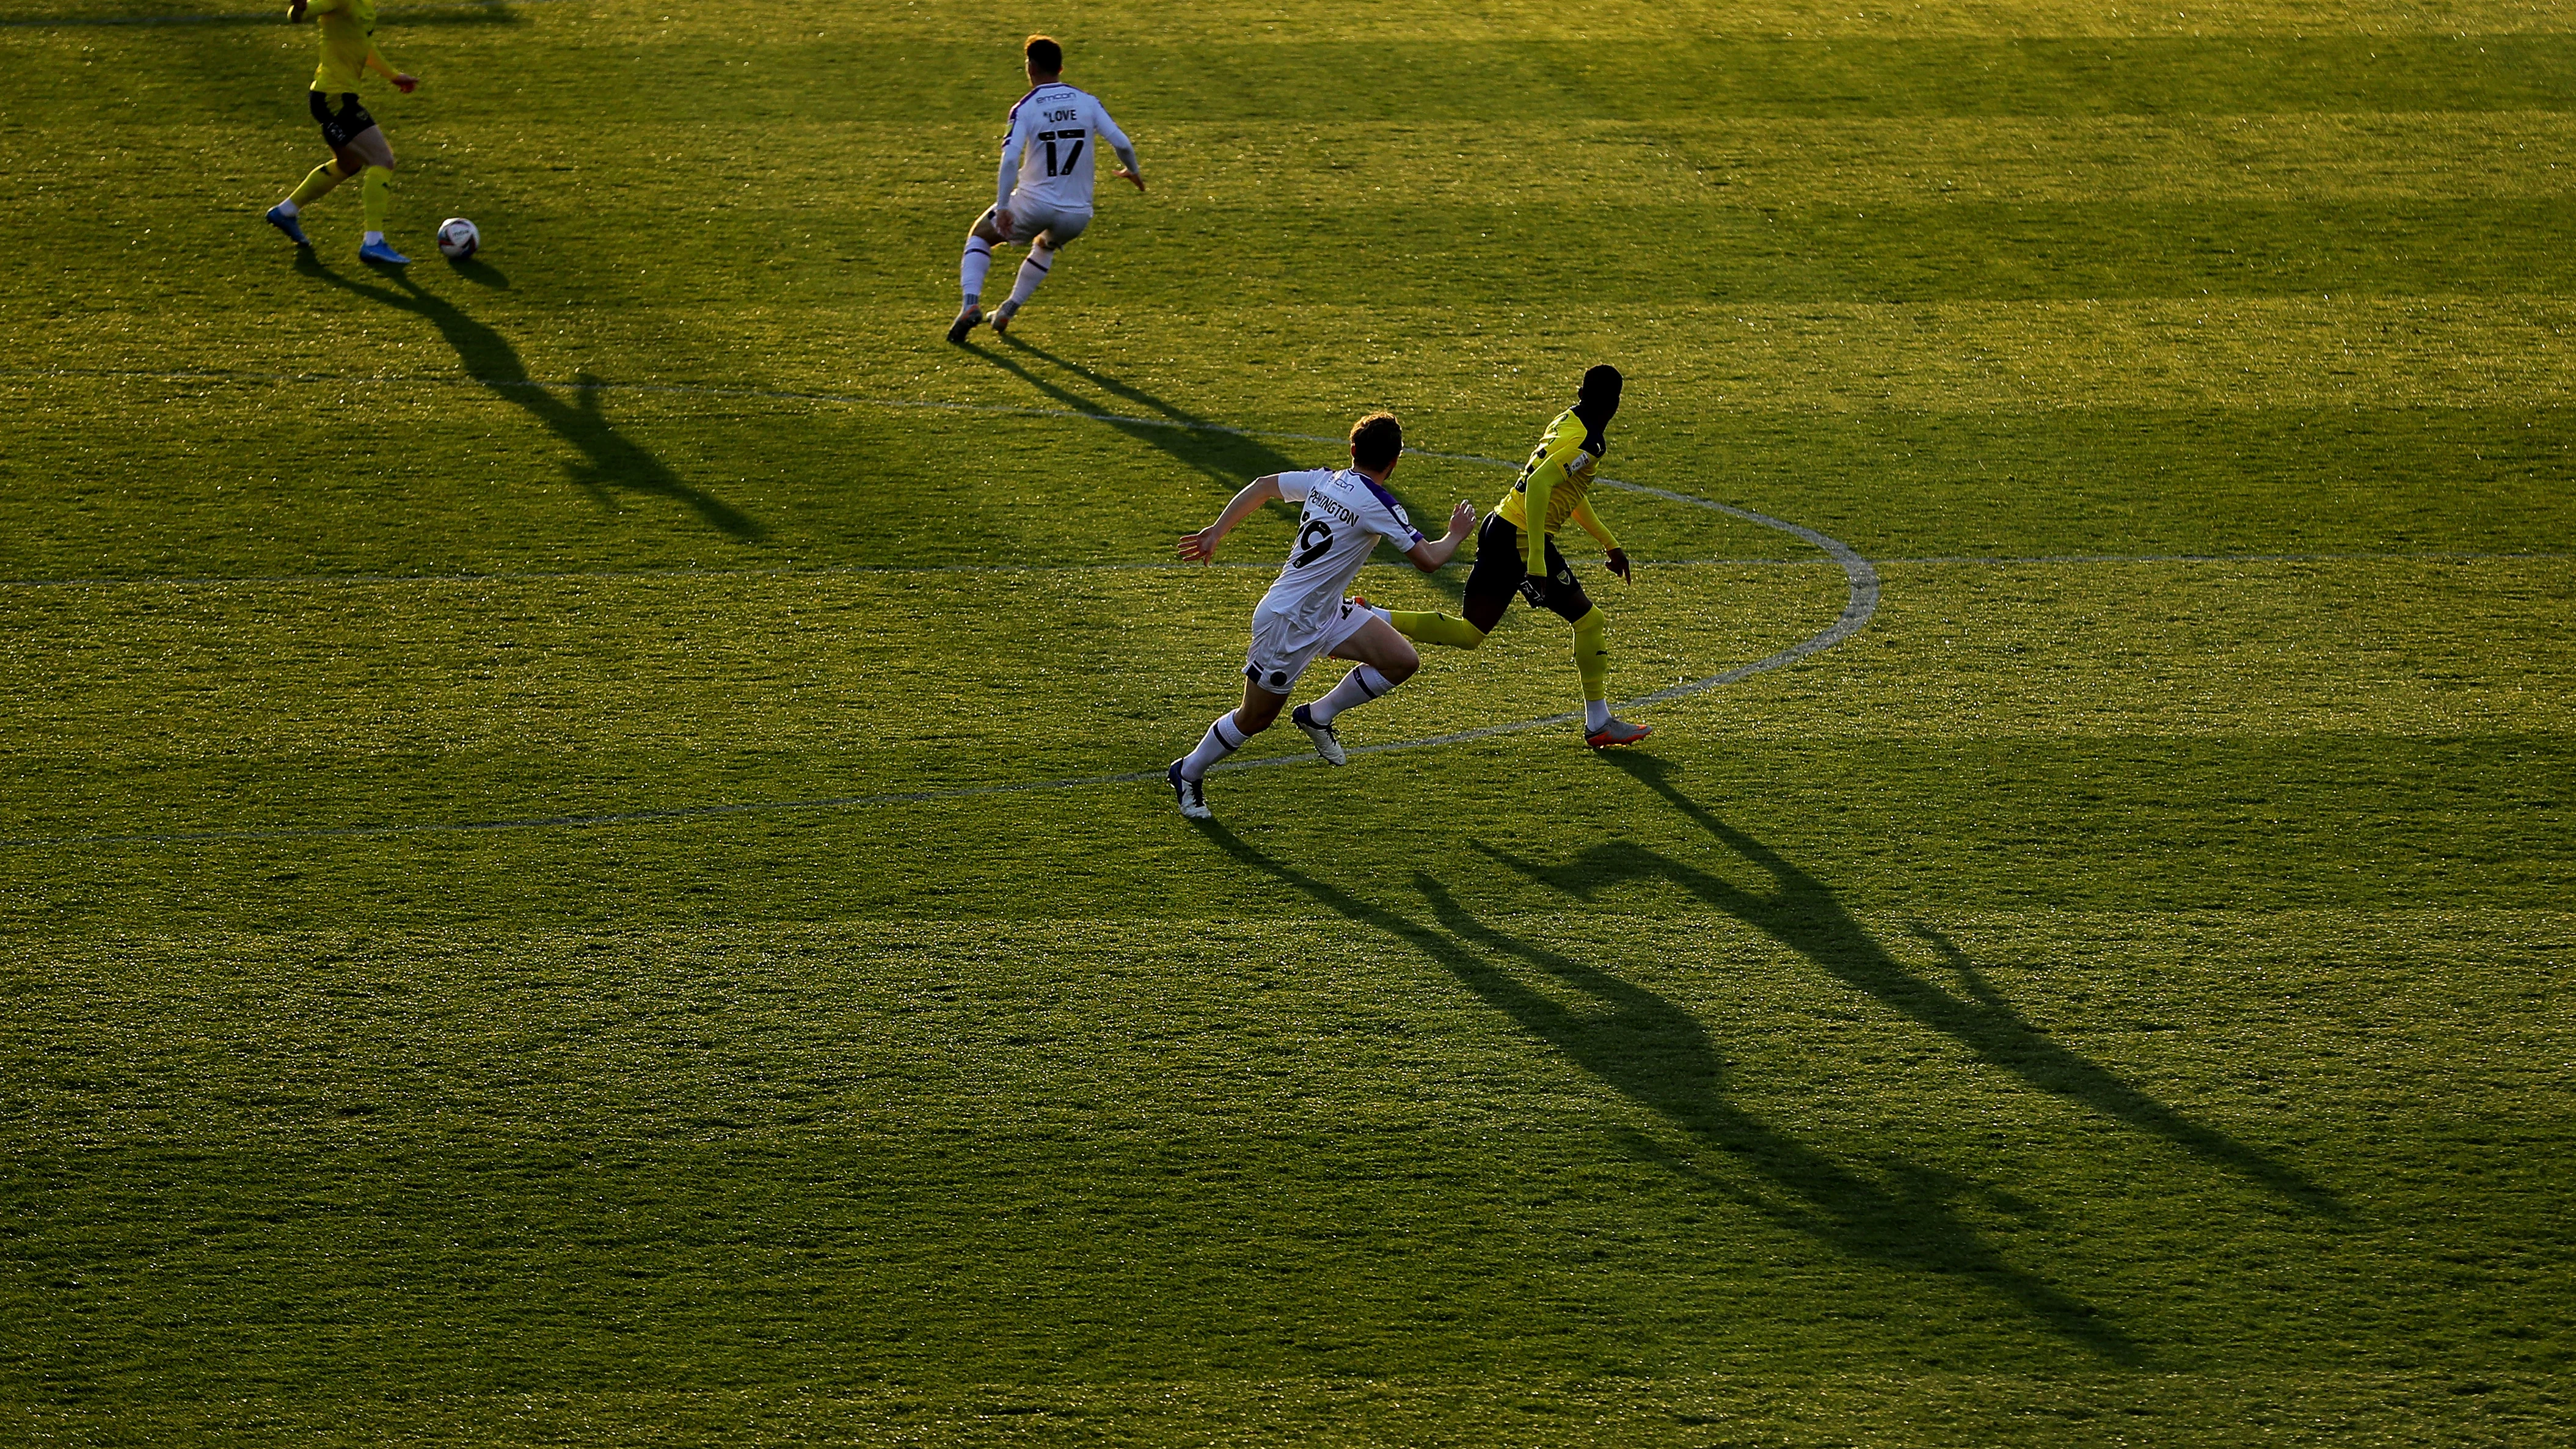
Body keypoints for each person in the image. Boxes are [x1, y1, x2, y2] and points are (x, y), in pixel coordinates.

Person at [1167, 413, 1476, 821]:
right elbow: (1429, 561)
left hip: (1325, 610)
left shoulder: (1323, 480)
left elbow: (1263, 487)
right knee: (1255, 717)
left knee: (1401, 661)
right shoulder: (1380, 504)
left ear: (1352, 450)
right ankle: (1187, 772)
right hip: (1287, 622)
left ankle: (1318, 715)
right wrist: (1455, 533)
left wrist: (1216, 531)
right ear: (1395, 461)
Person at [1378, 365, 1654, 748]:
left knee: (1470, 632)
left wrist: (1609, 542)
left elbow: (1565, 490)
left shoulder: (1566, 420)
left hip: (1501, 524)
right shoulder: (1588, 442)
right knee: (1589, 621)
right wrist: (1538, 562)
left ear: (1580, 391)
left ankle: (1369, 615)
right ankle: (1599, 723)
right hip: (1522, 538)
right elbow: (1542, 483)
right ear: (1616, 403)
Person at [947, 34, 1144, 343]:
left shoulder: (1025, 107)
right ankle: (1007, 310)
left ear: (1031, 67)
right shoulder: (1087, 102)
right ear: (1061, 68)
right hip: (1077, 214)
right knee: (1046, 245)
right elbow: (1122, 143)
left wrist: (1003, 207)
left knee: (980, 236)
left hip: (1033, 203)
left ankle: (970, 306)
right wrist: (1133, 171)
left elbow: (1011, 159)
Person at [265, 0, 419, 264]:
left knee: (348, 164)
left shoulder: (366, 4)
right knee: (383, 160)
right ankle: (373, 242)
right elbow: (301, 15)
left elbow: (362, 46)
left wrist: (393, 75)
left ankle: (286, 211)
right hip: (333, 98)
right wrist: (300, 7)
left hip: (336, 96)